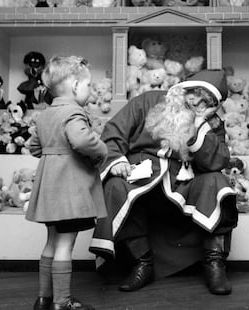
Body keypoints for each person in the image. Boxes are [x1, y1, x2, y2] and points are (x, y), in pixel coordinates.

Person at [89, 69, 238, 295]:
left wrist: (199, 125)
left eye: (206, 101)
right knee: (116, 187)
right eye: (195, 93)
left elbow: (216, 162)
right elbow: (113, 132)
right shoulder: (148, 100)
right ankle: (142, 262)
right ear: (183, 89)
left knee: (217, 182)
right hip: (142, 176)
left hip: (185, 183)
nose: (196, 102)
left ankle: (214, 263)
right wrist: (117, 159)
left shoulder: (212, 123)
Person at [26, 55, 108, 310]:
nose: (89, 92)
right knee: (65, 243)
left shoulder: (44, 115)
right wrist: (102, 150)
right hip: (69, 190)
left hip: (50, 188)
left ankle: (43, 299)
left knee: (51, 241)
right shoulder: (74, 112)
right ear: (74, 87)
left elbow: (34, 147)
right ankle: (62, 303)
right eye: (87, 87)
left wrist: (53, 154)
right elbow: (82, 141)